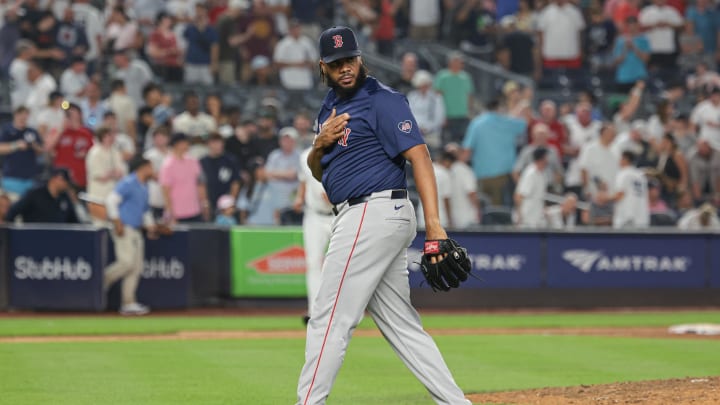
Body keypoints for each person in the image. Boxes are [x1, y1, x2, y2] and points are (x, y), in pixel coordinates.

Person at [295, 26, 470, 405]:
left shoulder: (382, 100)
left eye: (350, 60)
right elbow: (319, 171)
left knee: (328, 318)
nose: (345, 68)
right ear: (322, 67)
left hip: (372, 212)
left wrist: (435, 227)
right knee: (401, 324)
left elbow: (420, 156)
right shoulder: (329, 109)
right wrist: (318, 144)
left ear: (362, 59)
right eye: (336, 63)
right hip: (363, 215)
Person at [104, 157, 158, 316]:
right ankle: (101, 281)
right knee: (126, 262)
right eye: (150, 167)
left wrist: (151, 226)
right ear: (143, 167)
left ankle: (128, 302)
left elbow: (145, 210)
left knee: (136, 267)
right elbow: (111, 201)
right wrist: (117, 221)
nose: (152, 170)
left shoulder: (145, 186)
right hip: (124, 227)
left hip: (136, 229)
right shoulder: (129, 182)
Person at [293, 145, 334, 325]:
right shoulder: (305, 155)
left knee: (344, 263)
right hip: (314, 215)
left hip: (338, 213)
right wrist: (300, 198)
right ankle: (314, 311)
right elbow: (304, 179)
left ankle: (347, 309)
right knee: (313, 263)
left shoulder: (341, 151)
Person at [159, 133, 211, 223]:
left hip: (195, 210)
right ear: (177, 144)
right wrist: (170, 213)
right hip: (178, 213)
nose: (188, 145)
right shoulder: (167, 165)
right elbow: (165, 191)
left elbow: (200, 184)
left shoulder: (193, 161)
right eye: (185, 142)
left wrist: (204, 204)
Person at [5, 167, 79, 223]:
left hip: (59, 239)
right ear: (56, 179)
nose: (67, 185)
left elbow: (74, 222)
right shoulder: (35, 194)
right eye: (65, 181)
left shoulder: (65, 198)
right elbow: (13, 211)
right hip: (33, 238)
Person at [0, 106, 45, 198]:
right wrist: (16, 145)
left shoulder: (31, 132)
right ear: (16, 115)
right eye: (21, 115)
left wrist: (33, 145)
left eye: (25, 116)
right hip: (12, 177)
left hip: (30, 177)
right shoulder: (7, 130)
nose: (23, 119)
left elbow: (41, 150)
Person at [604, 151, 650, 229]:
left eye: (621, 159)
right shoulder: (641, 175)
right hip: (641, 217)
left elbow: (619, 195)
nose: (619, 161)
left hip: (627, 217)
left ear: (625, 159)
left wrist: (604, 198)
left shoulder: (624, 173)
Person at [514, 147, 549, 228]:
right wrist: (519, 216)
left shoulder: (542, 173)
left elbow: (541, 196)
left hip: (538, 217)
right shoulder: (530, 174)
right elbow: (518, 196)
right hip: (527, 218)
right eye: (546, 157)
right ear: (542, 158)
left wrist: (544, 209)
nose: (548, 160)